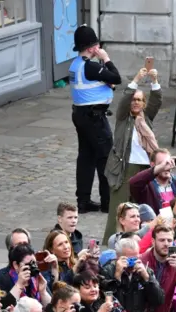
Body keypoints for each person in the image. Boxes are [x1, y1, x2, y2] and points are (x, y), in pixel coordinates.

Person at [103, 67, 163, 244]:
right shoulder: (123, 117)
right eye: (133, 100)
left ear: (143, 104)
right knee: (119, 208)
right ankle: (112, 243)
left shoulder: (147, 117)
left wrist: (154, 81)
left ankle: (142, 242)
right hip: (124, 168)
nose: (136, 103)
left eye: (139, 100)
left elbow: (156, 101)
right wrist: (137, 78)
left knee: (143, 209)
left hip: (145, 168)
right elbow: (123, 100)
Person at [69, 25, 122, 213]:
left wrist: (106, 84)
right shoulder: (91, 66)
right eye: (97, 44)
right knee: (105, 158)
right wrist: (106, 59)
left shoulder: (75, 65)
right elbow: (116, 77)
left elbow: (98, 82)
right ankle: (107, 202)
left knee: (85, 158)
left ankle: (83, 201)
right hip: (95, 118)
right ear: (92, 48)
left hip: (80, 115)